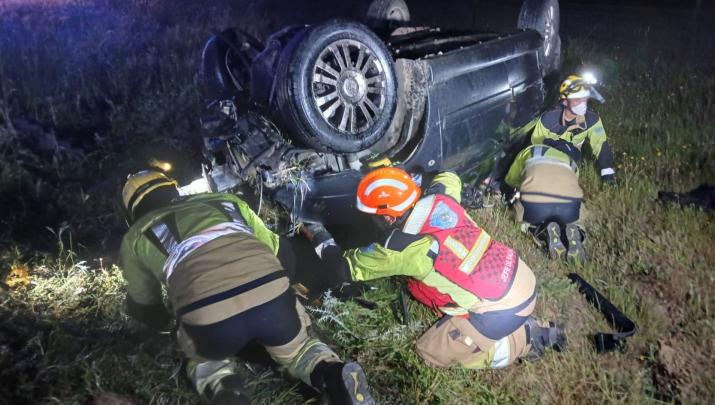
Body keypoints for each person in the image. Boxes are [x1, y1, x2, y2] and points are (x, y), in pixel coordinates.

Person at [118, 169, 374, 405]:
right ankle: (333, 375)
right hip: (271, 300)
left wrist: (167, 324)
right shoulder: (225, 201)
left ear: (132, 210)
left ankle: (225, 389)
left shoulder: (135, 236)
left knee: (207, 364)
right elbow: (279, 251)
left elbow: (145, 304)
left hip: (210, 316)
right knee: (300, 350)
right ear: (172, 188)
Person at [302, 167, 566, 370]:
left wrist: (318, 235)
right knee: (421, 286)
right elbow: (448, 175)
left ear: (389, 217)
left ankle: (525, 339)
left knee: (430, 350)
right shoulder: (441, 197)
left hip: (503, 307)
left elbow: (343, 268)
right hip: (519, 274)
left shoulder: (403, 249)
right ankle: (514, 322)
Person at [503, 139, 587, 263]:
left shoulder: (532, 150)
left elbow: (511, 180)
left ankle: (538, 231)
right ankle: (577, 230)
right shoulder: (572, 163)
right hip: (568, 208)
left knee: (520, 215)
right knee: (579, 208)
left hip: (537, 207)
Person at [531, 74, 616, 184]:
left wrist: (607, 172)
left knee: (568, 151)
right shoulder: (549, 119)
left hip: (573, 155)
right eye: (577, 100)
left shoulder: (591, 119)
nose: (582, 104)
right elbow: (536, 145)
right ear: (565, 101)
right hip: (549, 156)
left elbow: (601, 144)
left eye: (584, 99)